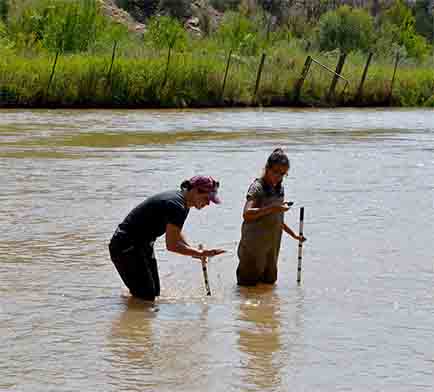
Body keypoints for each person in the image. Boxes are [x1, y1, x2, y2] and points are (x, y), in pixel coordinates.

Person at [109, 176, 226, 301]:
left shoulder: (184, 203)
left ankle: (131, 305)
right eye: (207, 198)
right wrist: (199, 252)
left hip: (143, 245)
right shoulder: (176, 205)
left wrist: (194, 252)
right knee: (146, 297)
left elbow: (176, 233)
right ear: (195, 191)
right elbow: (172, 245)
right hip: (126, 246)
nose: (208, 203)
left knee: (154, 294)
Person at [236, 148, 306, 286]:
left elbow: (278, 219)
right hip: (253, 246)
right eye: (275, 172)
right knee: (247, 286)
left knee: (269, 284)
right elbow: (246, 214)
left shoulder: (279, 189)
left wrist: (294, 236)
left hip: (272, 247)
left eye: (283, 174)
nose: (278, 177)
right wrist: (273, 208)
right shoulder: (257, 187)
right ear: (267, 168)